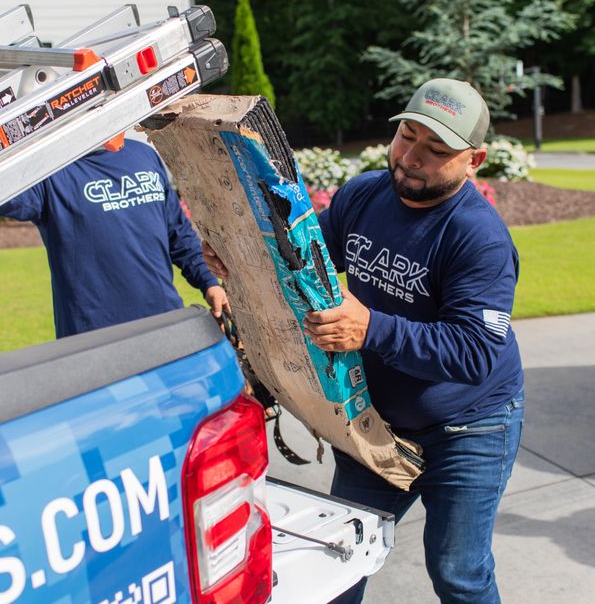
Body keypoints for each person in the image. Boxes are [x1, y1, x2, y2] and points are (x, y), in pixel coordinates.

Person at [203, 78, 524, 604]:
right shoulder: (364, 194)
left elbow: (475, 352)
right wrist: (239, 266)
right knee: (336, 558)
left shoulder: (478, 238)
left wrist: (371, 327)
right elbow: (304, 269)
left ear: (475, 160)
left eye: (436, 149)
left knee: (457, 572)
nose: (412, 157)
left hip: (470, 427)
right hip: (375, 423)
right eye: (407, 137)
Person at [0, 137, 228, 338]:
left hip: (165, 322)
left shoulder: (144, 155)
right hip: (93, 339)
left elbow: (178, 233)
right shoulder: (48, 171)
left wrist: (208, 282)